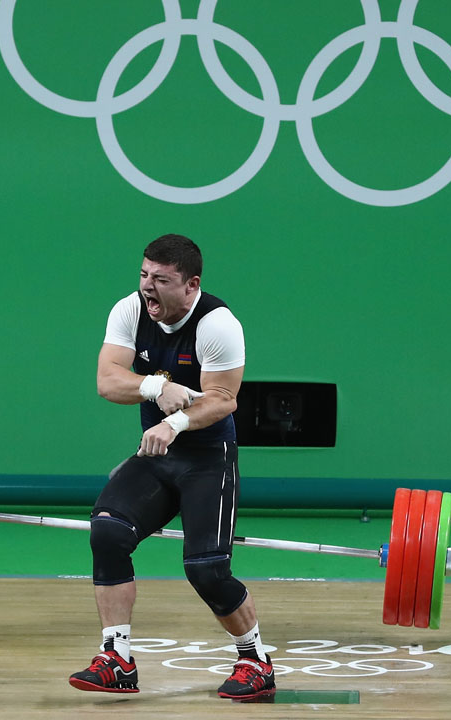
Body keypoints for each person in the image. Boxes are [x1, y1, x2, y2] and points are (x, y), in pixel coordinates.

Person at [68, 233, 275, 700]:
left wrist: (176, 422)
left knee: (207, 570)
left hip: (207, 460)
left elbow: (223, 401)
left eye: (160, 280)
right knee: (107, 533)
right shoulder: (129, 310)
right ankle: (117, 659)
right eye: (143, 275)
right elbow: (107, 380)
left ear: (191, 284)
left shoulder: (217, 324)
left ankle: (255, 661)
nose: (147, 287)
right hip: (156, 456)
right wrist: (153, 389)